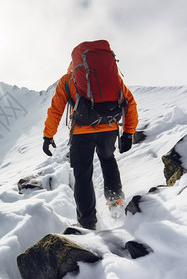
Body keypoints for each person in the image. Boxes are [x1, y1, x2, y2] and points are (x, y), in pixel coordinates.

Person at [42, 43, 139, 230]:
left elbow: (56, 110)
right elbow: (130, 103)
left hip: (82, 132)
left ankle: (87, 223)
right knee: (108, 160)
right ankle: (115, 202)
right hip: (109, 130)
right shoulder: (112, 78)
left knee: (83, 174)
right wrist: (128, 132)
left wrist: (48, 136)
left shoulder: (68, 80)